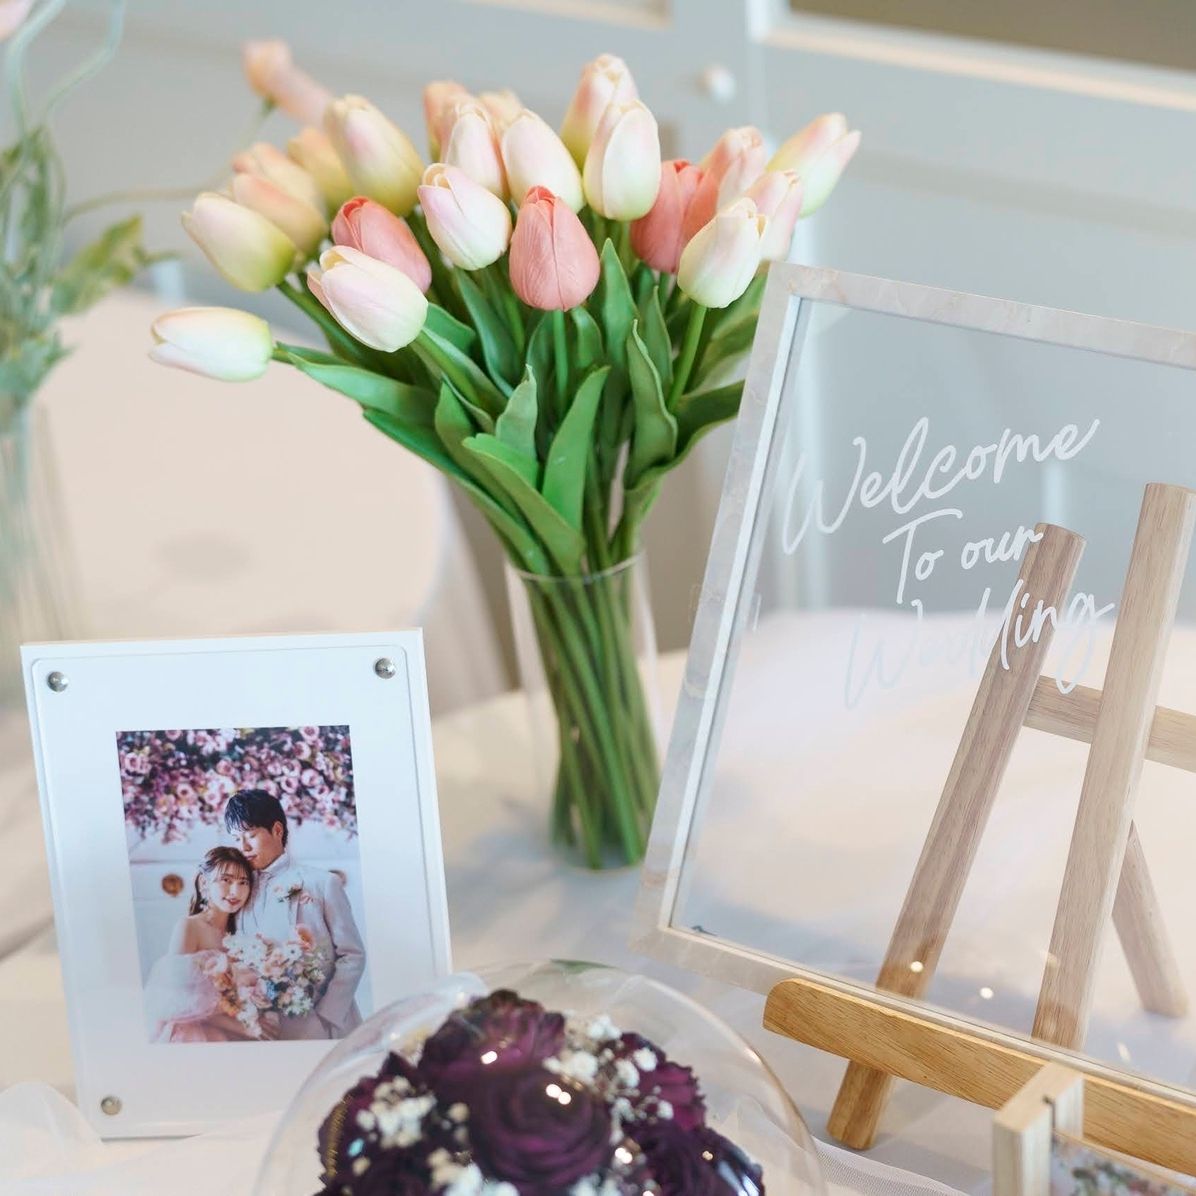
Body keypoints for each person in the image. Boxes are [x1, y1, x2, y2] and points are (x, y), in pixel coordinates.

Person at [223, 789, 366, 1040]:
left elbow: (352, 954)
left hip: (321, 1026)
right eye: (236, 838)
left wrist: (327, 1015)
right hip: (261, 1031)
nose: (243, 847)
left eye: (251, 835)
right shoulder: (236, 891)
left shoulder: (322, 883)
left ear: (277, 830)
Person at [144, 846, 269, 1043]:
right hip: (196, 1032)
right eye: (226, 880)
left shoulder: (244, 932)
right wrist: (246, 1028)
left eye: (243, 882)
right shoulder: (189, 927)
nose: (235, 891)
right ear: (204, 882)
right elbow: (178, 1000)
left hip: (240, 1025)